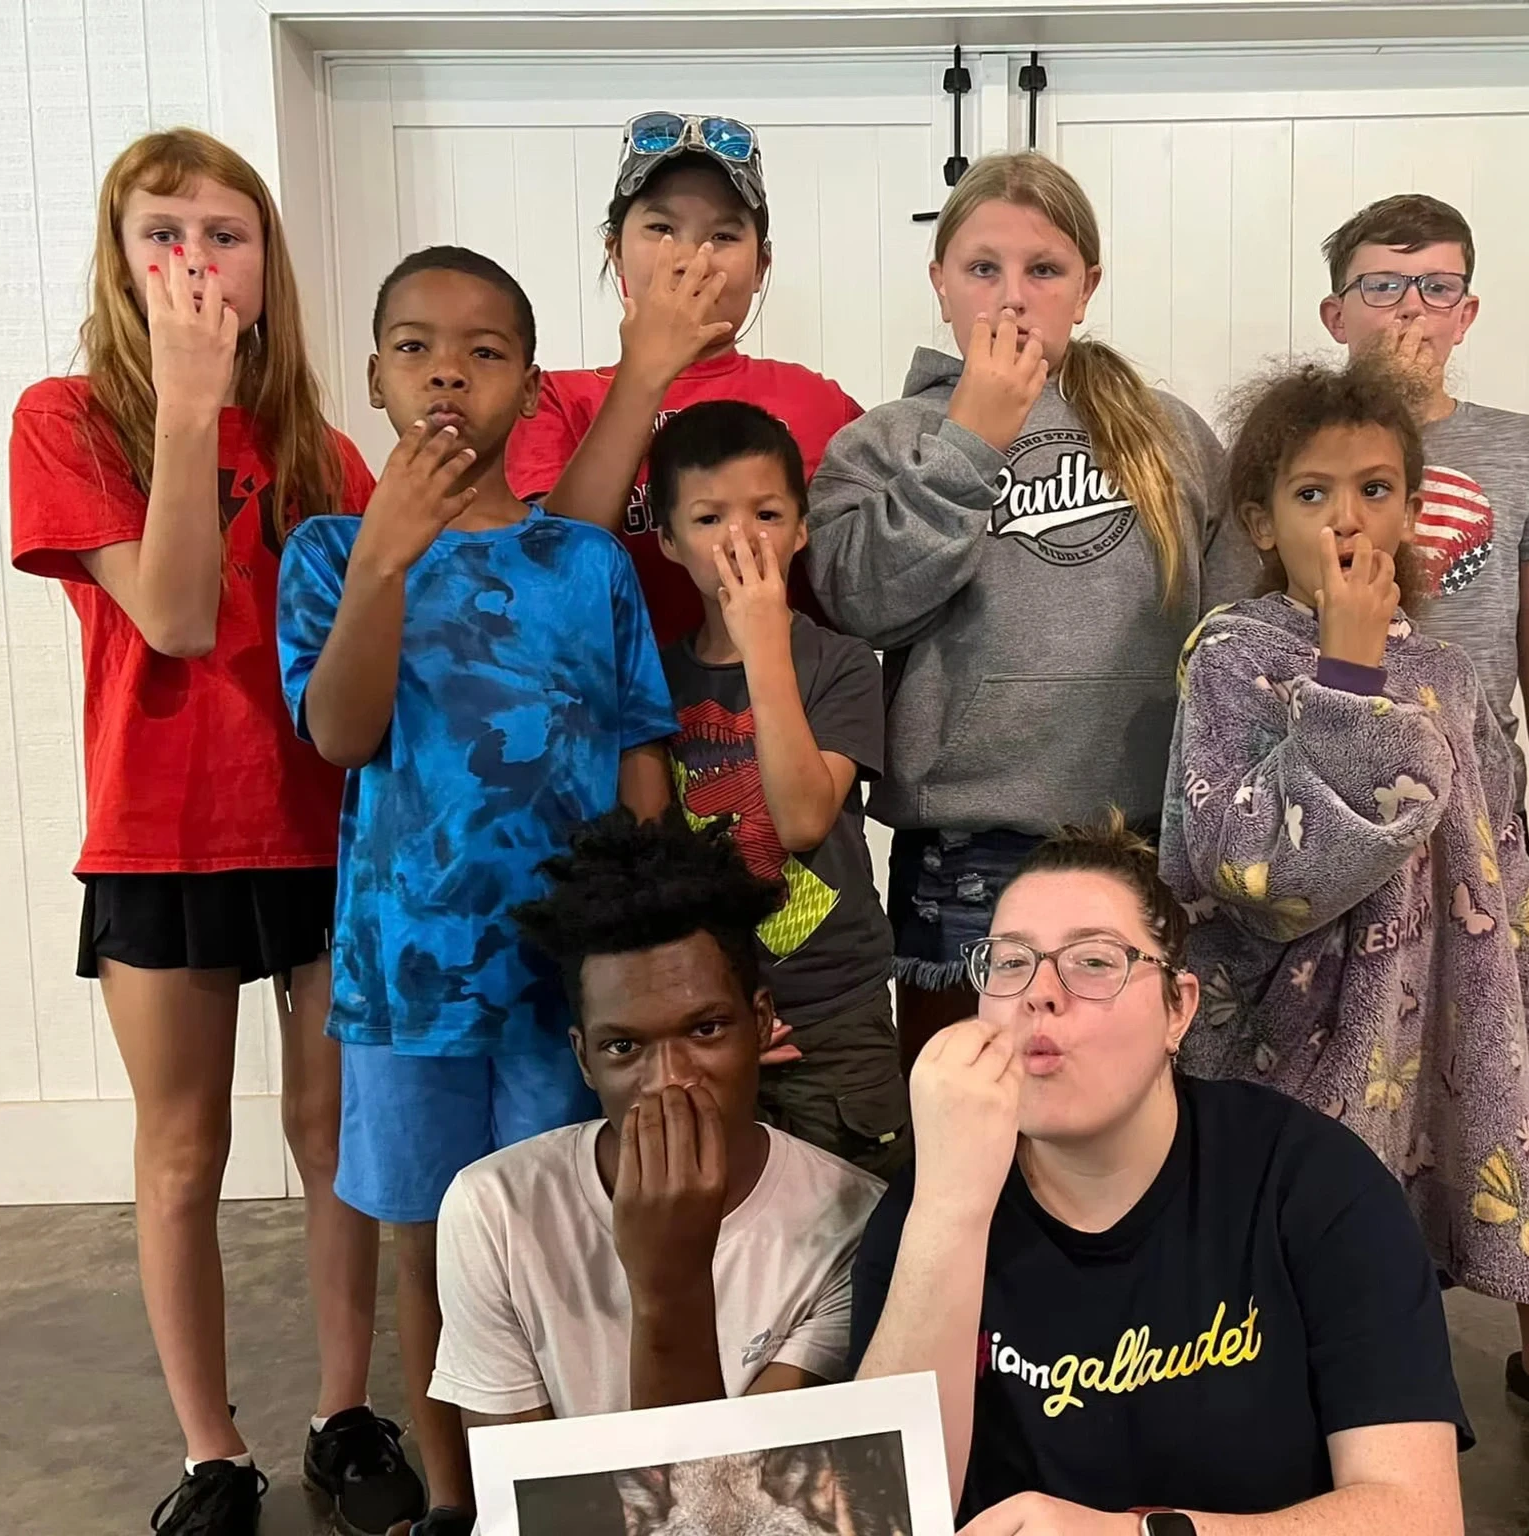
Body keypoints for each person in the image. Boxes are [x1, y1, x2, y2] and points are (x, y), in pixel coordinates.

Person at [7, 128, 420, 1536]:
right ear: (121, 260)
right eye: (162, 233)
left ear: (268, 261)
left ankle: (344, 1410)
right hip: (159, 830)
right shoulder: (67, 420)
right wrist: (188, 409)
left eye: (225, 233)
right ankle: (213, 1450)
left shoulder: (324, 447)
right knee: (181, 1150)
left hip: (319, 831)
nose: (195, 260)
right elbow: (178, 617)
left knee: (333, 1138)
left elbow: (371, 651)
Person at [277, 246, 677, 1536]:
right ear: (379, 374)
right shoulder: (330, 551)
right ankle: (456, 1501)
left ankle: (569, 1484)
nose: (448, 368)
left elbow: (638, 765)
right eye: (414, 344)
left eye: (486, 348)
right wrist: (387, 559)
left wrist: (659, 949)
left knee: (572, 1225)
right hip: (407, 978)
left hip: (565, 978)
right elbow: (340, 732)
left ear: (531, 383)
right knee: (429, 1244)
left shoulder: (583, 564)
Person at [849, 815, 1469, 1536]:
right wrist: (950, 1211)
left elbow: (1418, 1515)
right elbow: (884, 1518)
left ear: (1179, 1009)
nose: (1039, 994)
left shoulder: (1313, 1186)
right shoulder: (928, 1206)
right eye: (1010, 961)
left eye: (1093, 961)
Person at [805, 151, 1257, 1065]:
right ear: (940, 283)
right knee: (975, 1110)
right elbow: (857, 605)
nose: (1012, 298)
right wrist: (969, 438)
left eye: (1043, 270)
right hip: (969, 842)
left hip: (1152, 830)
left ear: (1086, 288)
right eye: (983, 268)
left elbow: (1236, 626)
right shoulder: (883, 440)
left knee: (1140, 1102)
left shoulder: (1166, 430)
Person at [1161, 358, 1529, 1311]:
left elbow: (1498, 852)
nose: (1348, 518)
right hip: (1289, 1043)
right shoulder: (1234, 654)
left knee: (1387, 1275)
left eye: (1375, 490)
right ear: (1262, 522)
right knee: (1283, 1267)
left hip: (1427, 1039)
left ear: (1411, 510)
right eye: (1313, 493)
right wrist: (1344, 677)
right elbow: (1259, 872)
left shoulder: (1452, 674)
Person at [1319, 192, 1529, 1446]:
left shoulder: (1514, 444)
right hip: (1353, 784)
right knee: (1365, 1058)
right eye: (1383, 285)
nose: (1410, 310)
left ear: (1470, 309)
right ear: (1334, 311)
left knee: (1508, 1054)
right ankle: (1388, 1343)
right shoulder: (1304, 445)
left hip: (1482, 805)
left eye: (1436, 286)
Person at [428, 811, 883, 1444]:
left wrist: (670, 1286)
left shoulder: (855, 1228)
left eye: (705, 1030)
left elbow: (723, 1506)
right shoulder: (494, 1210)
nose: (669, 1080)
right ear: (584, 1059)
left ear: (760, 1023)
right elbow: (522, 1494)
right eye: (623, 1048)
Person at [647, 400, 910, 1175]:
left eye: (765, 513)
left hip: (836, 1012)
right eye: (706, 518)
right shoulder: (654, 680)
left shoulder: (840, 665)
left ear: (802, 528)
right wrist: (710, 1017)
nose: (739, 538)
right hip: (707, 1016)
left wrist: (763, 640)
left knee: (857, 1229)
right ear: (665, 540)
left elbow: (799, 820)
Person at [505, 111, 860, 644]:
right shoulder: (551, 399)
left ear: (761, 265)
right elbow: (549, 574)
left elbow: (864, 586)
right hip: (611, 717)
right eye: (661, 228)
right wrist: (646, 371)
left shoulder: (820, 404)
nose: (692, 257)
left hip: (778, 714)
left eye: (723, 234)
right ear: (614, 249)